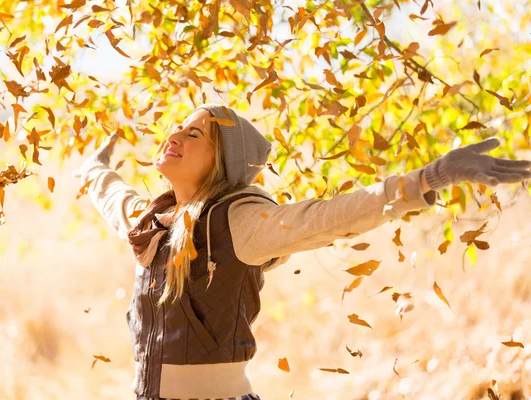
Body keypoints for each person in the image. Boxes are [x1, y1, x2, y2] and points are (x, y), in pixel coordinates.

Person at [75, 103, 531, 400]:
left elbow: (328, 216)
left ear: (222, 162)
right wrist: (94, 167)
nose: (176, 134)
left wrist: (428, 178)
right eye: (180, 126)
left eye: (195, 135)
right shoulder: (151, 221)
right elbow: (111, 194)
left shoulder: (239, 221)